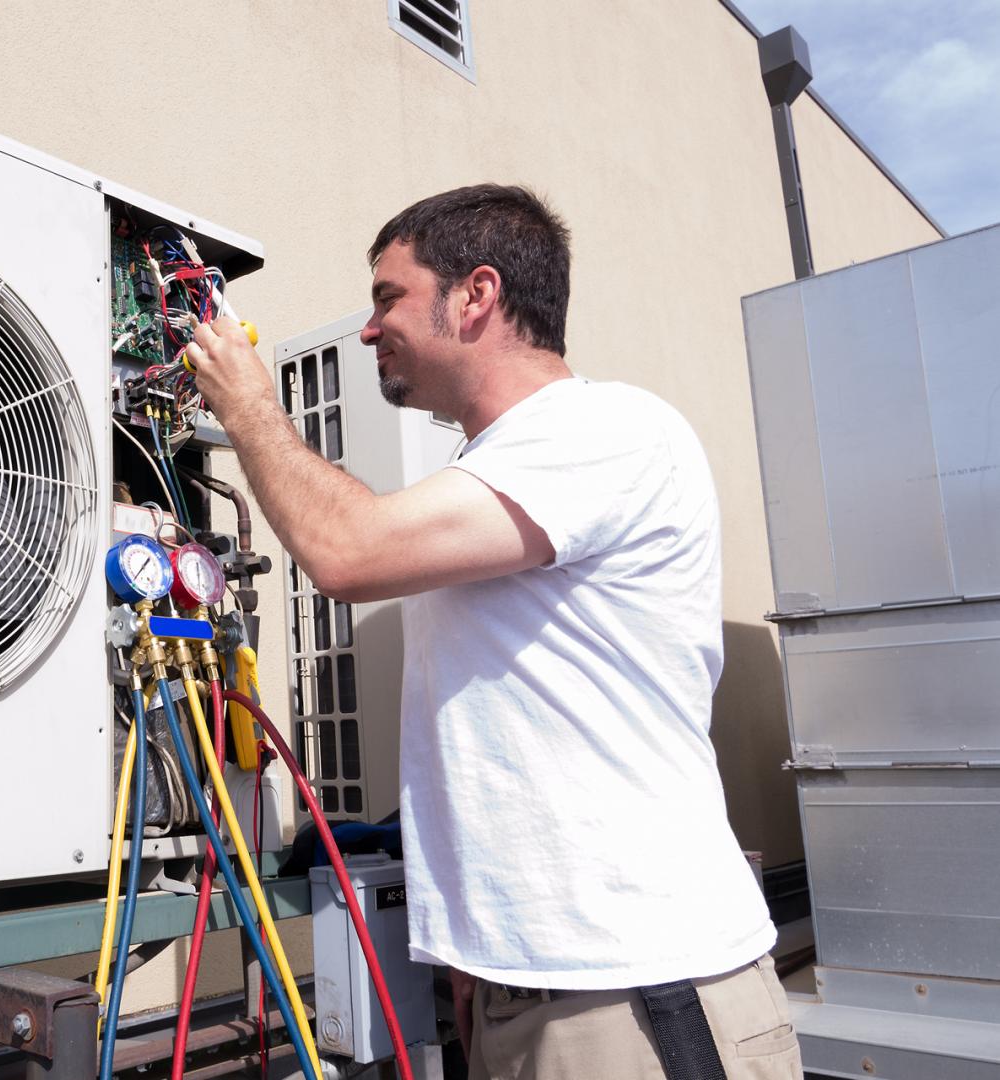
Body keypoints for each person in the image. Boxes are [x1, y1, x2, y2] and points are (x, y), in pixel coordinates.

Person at [186, 185, 800, 1079]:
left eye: (387, 296)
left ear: (476, 295)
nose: (367, 330)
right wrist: (479, 964)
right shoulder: (498, 474)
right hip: (530, 993)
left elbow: (346, 551)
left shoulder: (603, 431)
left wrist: (247, 408)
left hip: (637, 996)